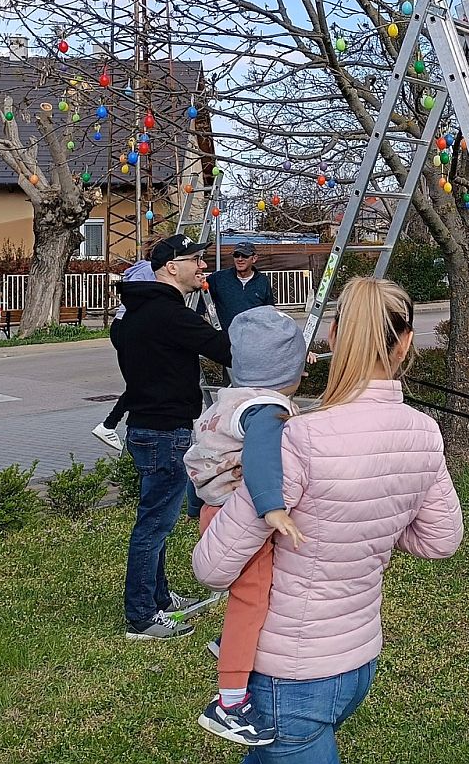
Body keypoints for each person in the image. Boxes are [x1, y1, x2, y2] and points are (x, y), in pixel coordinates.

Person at [193, 277, 463, 761]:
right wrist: (367, 519)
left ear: (334, 337)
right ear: (405, 344)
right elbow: (441, 538)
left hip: (289, 675)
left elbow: (212, 567)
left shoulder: (297, 437)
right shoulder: (425, 431)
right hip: (358, 659)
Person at [184, 305, 308, 747]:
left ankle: (228, 641)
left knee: (253, 592)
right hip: (240, 515)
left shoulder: (229, 401)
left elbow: (198, 459)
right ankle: (230, 701)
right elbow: (260, 455)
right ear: (288, 370)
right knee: (251, 598)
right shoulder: (266, 410)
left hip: (212, 511)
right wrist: (273, 506)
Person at [113, 233, 233, 640]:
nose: (203, 267)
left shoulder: (138, 311)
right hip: (165, 432)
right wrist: (282, 353)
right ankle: (142, 616)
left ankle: (160, 598)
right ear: (171, 268)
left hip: (147, 427)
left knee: (156, 520)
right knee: (154, 525)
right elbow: (226, 349)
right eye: (195, 260)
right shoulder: (170, 315)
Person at [93, 259, 157, 452]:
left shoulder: (146, 268)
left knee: (143, 382)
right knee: (142, 382)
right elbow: (133, 294)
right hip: (128, 325)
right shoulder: (149, 269)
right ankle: (109, 424)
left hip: (129, 325)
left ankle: (123, 434)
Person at [203, 242, 276, 330]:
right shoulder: (218, 278)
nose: (240, 259)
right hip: (226, 338)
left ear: (254, 258)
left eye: (245, 256)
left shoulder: (263, 281)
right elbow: (201, 295)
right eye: (236, 255)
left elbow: (269, 310)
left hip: (254, 338)